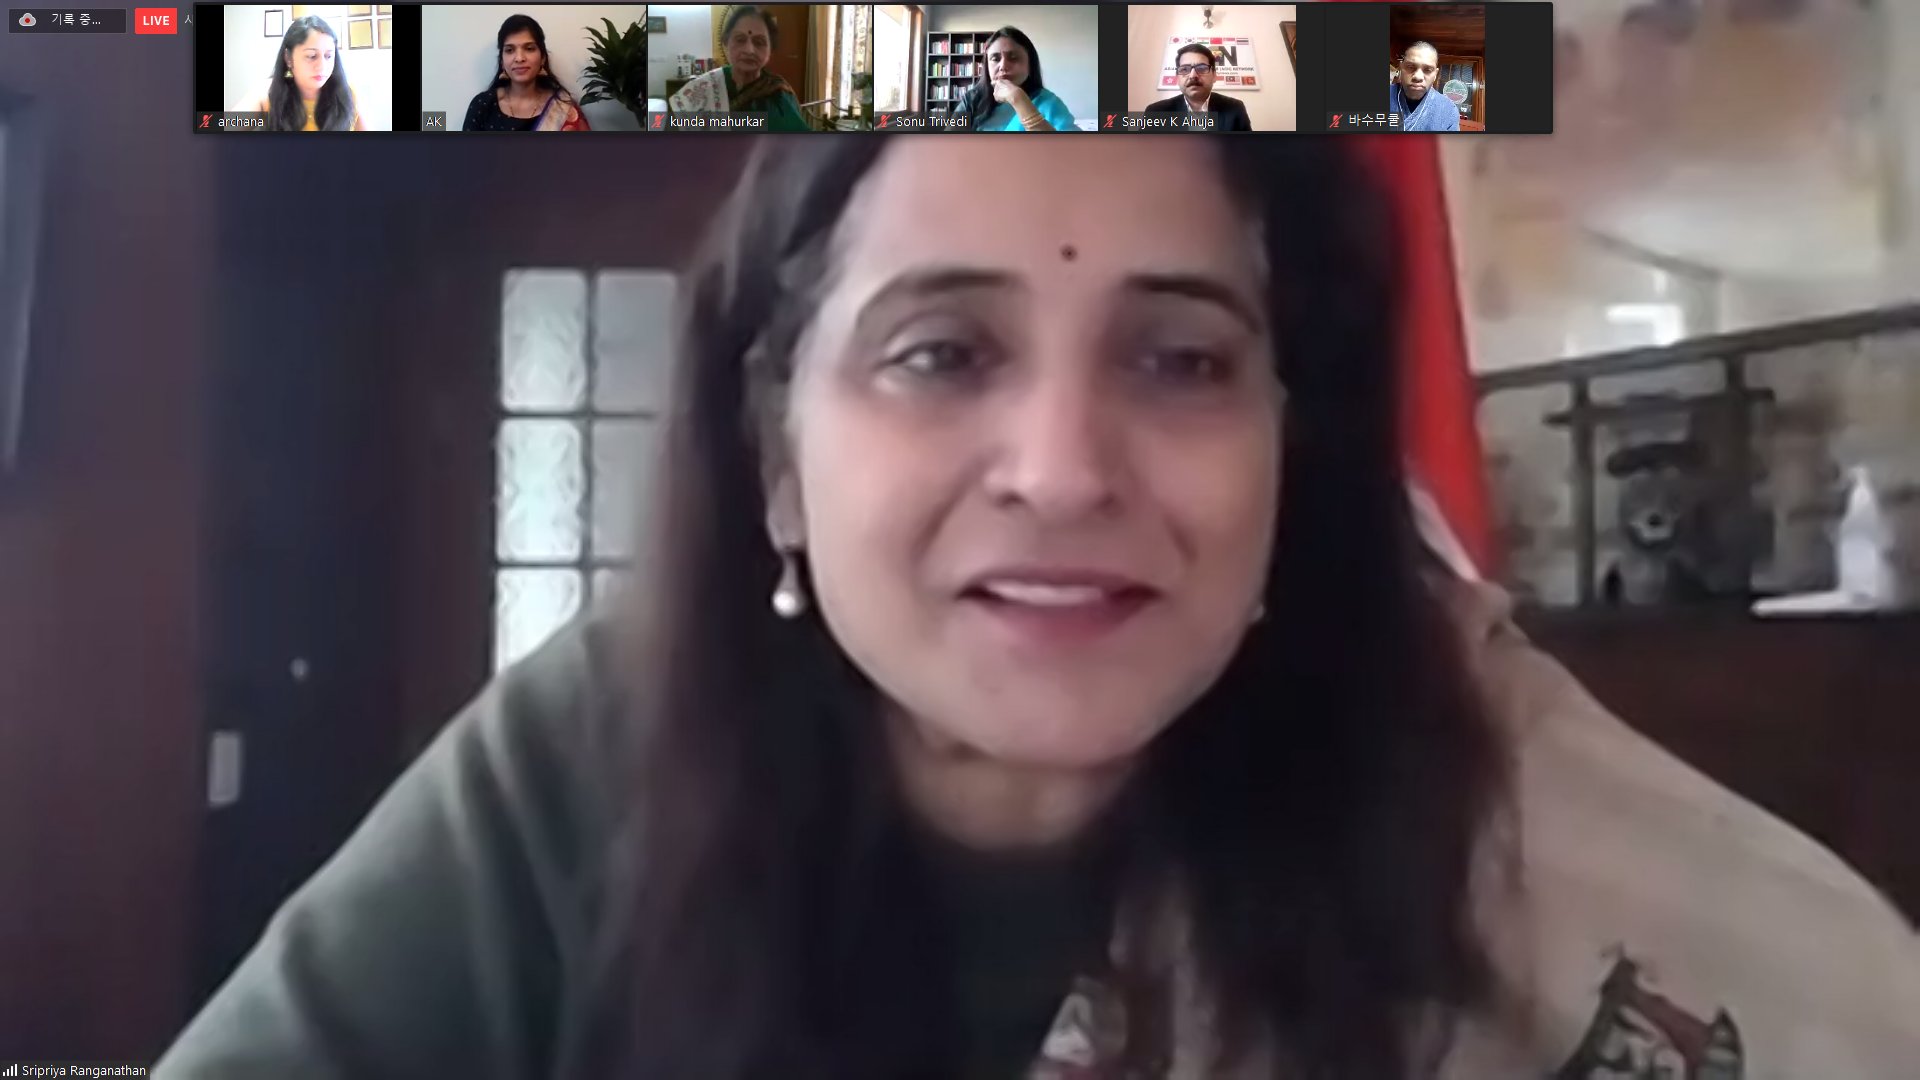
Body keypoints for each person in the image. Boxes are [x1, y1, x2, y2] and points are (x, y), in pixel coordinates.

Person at [154, 140, 1920, 1077]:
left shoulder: (1509, 822)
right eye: (942, 353)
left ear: (1290, 451)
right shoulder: (597, 756)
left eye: (1180, 359)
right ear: (776, 462)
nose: (1065, 469)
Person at [666, 5, 809, 132]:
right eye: (740, 39)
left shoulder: (778, 95)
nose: (749, 50)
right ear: (726, 43)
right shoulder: (703, 87)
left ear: (770, 51)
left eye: (759, 42)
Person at [232, 15, 365, 131]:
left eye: (329, 56)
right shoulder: (268, 92)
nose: (322, 66)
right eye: (312, 56)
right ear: (288, 58)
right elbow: (226, 124)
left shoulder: (347, 93)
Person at [461, 14, 591, 132]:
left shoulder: (563, 109)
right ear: (502, 61)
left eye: (529, 48)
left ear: (543, 58)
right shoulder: (483, 105)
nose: (519, 58)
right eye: (510, 50)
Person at [950, 26, 1077, 132]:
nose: (1003, 66)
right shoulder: (973, 99)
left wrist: (1018, 99)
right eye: (995, 59)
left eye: (1014, 57)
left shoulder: (1049, 103)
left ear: (1030, 64)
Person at [1144, 42, 1253, 131]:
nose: (1193, 75)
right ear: (1177, 78)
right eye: (1184, 69)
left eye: (1201, 68)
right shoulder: (1156, 112)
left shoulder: (1235, 108)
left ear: (1214, 76)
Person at [1389, 40, 1460, 132]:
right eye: (1410, 67)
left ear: (1435, 75)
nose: (1418, 77)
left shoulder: (1449, 110)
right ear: (1401, 67)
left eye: (1428, 70)